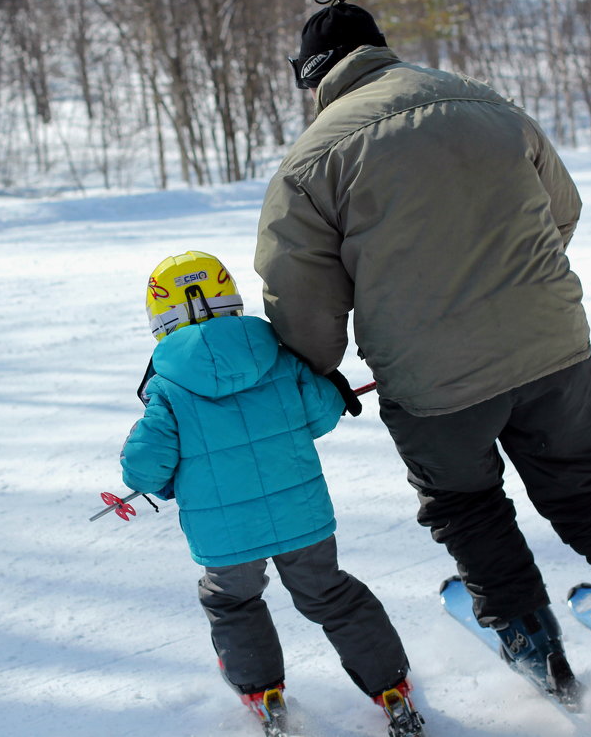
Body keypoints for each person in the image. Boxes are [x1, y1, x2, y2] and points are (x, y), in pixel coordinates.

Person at [254, 0, 591, 717]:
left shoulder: (313, 158)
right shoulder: (487, 104)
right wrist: (518, 295)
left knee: (465, 504)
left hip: (432, 385)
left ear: (315, 76)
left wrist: (321, 370)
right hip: (554, 352)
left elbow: (304, 302)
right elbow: (561, 210)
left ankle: (529, 637)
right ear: (379, 46)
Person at [121, 250, 426, 737]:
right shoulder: (276, 355)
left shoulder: (168, 383)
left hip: (226, 534)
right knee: (329, 594)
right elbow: (320, 414)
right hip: (300, 516)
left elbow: (145, 464)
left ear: (160, 318)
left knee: (232, 601)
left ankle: (263, 693)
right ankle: (391, 689)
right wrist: (333, 390)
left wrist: (157, 482)